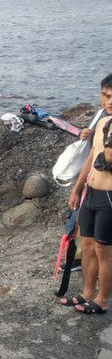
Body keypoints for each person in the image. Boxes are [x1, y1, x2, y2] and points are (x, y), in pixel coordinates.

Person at [66, 74, 112, 315]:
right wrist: (77, 188)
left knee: (105, 250)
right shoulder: (102, 123)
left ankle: (103, 299)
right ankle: (87, 292)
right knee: (87, 244)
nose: (109, 101)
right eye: (105, 95)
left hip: (109, 198)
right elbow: (92, 160)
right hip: (91, 193)